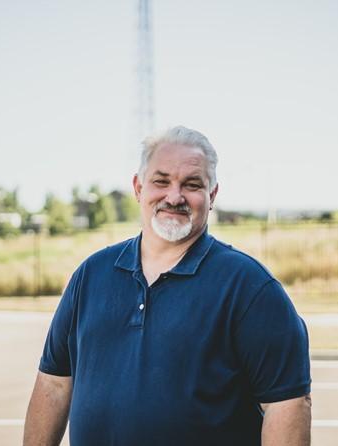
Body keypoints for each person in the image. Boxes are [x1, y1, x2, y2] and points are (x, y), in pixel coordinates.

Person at [23, 126, 311, 446]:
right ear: (138, 187)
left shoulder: (250, 288)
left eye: (192, 184)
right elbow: (54, 384)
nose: (174, 197)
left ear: (212, 195)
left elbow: (286, 405)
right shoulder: (90, 276)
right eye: (161, 181)